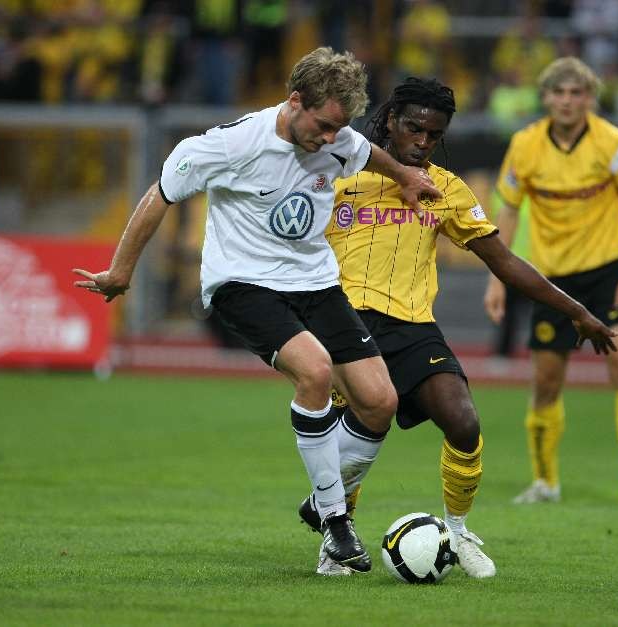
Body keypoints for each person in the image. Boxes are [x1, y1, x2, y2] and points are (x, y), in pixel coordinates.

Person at [73, 47, 443, 574]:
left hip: (315, 283)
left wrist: (404, 176)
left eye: (339, 128)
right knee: (315, 372)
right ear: (294, 102)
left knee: (380, 402)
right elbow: (160, 194)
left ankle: (320, 499)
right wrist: (120, 271)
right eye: (324, 125)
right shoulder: (229, 145)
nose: (331, 139)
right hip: (243, 283)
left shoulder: (338, 138)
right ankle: (336, 520)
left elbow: (366, 153)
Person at [296, 77, 618, 577]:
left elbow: (503, 261)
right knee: (356, 435)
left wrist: (575, 310)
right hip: (345, 321)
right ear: (390, 121)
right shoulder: (336, 172)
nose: (423, 141)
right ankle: (337, 538)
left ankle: (458, 530)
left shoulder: (446, 189)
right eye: (414, 128)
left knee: (464, 422)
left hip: (413, 325)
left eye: (434, 134)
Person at [484, 57, 618, 511]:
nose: (566, 101)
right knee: (545, 381)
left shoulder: (611, 142)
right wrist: (497, 280)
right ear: (544, 97)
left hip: (609, 268)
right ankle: (545, 482)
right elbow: (507, 210)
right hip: (552, 278)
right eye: (558, 92)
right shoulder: (525, 145)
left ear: (590, 98)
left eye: (576, 93)